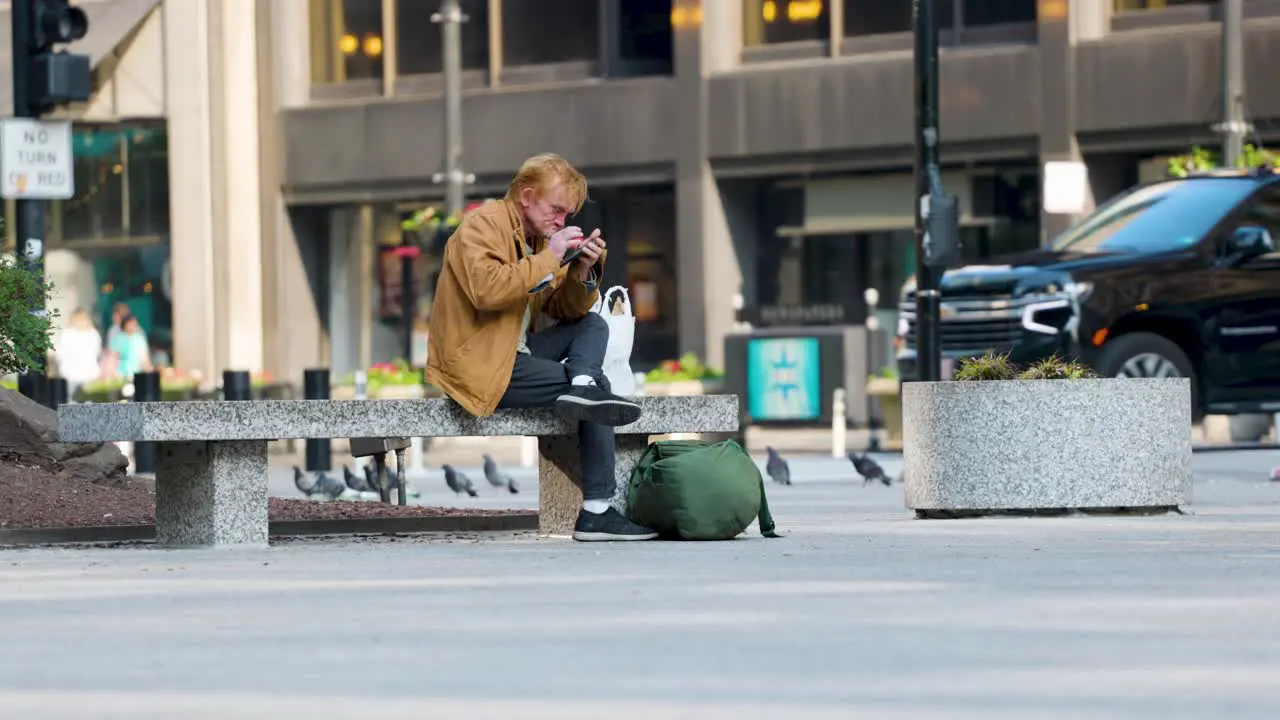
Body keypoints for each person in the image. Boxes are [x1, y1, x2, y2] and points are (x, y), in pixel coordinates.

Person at [427, 153, 658, 542]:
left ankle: (581, 385)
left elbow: (563, 311)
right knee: (598, 392)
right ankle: (597, 512)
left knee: (593, 323)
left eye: (567, 215)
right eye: (556, 210)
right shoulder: (481, 227)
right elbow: (488, 290)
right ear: (526, 195)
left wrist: (580, 271)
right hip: (479, 364)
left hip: (519, 355)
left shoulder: (534, 240)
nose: (561, 221)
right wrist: (550, 257)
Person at [52, 308, 103, 400]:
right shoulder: (93, 333)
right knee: (90, 402)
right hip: (90, 373)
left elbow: (59, 355)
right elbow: (98, 353)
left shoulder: (66, 334)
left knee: (71, 401)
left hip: (70, 374)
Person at [108, 314, 152, 380]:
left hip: (136, 372)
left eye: (134, 324)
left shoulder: (139, 339)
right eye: (130, 324)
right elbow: (113, 357)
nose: (133, 326)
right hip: (120, 374)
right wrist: (111, 372)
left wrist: (149, 371)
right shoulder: (118, 339)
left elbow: (144, 358)